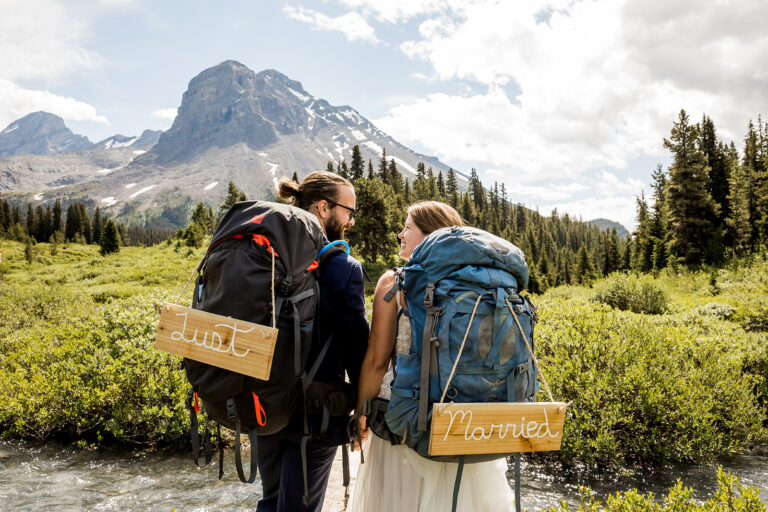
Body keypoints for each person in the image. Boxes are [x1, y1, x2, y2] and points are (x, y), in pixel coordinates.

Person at [350, 200, 516, 512]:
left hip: (404, 420)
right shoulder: (480, 285)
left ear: (429, 236)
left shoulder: (395, 282)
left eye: (408, 228)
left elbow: (376, 360)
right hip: (467, 420)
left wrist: (361, 412)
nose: (400, 234)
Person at [256, 171, 370, 512]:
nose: (350, 221)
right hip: (318, 414)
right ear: (323, 207)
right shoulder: (345, 269)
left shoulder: (266, 257)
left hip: (266, 403)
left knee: (272, 501)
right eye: (348, 211)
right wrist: (362, 410)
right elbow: (356, 349)